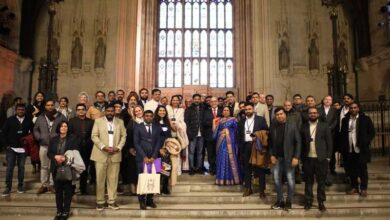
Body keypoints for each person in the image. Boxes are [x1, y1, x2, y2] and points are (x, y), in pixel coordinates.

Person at [91, 104, 127, 210]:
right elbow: (94, 135)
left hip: (115, 154)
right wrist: (103, 147)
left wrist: (119, 147)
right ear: (105, 111)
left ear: (114, 111)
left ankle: (112, 201)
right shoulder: (98, 121)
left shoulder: (120, 122)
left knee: (113, 179)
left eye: (112, 111)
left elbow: (124, 136)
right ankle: (100, 201)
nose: (110, 112)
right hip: (101, 154)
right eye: (108, 111)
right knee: (100, 179)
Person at [301, 107, 333, 212]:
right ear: (308, 115)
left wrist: (328, 157)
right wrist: (302, 158)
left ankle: (321, 202)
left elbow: (329, 142)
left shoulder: (324, 126)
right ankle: (308, 201)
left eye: (315, 113)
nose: (313, 114)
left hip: (321, 159)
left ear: (318, 114)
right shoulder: (304, 126)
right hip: (308, 159)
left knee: (321, 182)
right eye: (311, 113)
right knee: (308, 182)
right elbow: (301, 144)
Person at [269, 107, 301, 210]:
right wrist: (272, 155)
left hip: (289, 158)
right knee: (276, 180)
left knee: (290, 180)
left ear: (285, 114)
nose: (279, 116)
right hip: (277, 158)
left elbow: (298, 142)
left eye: (281, 114)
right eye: (277, 114)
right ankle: (280, 200)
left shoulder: (292, 125)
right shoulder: (273, 126)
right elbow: (270, 143)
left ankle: (289, 201)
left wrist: (296, 157)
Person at [340, 102, 375, 197]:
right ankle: (354, 187)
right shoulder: (345, 120)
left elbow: (372, 132)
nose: (353, 109)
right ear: (349, 109)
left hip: (361, 149)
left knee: (363, 169)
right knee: (352, 170)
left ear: (358, 109)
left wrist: (365, 142)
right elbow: (342, 134)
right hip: (350, 149)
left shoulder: (365, 119)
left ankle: (363, 189)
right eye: (351, 108)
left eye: (355, 108)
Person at [33, 99, 67, 194]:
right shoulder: (41, 117)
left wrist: (61, 138)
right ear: (45, 106)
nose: (50, 107)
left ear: (54, 106)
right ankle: (44, 185)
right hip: (43, 145)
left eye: (52, 105)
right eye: (48, 105)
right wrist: (39, 137)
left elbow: (66, 127)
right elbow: (35, 129)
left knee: (53, 166)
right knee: (44, 166)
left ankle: (52, 185)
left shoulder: (60, 116)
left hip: (56, 145)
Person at [47, 121, 79, 220]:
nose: (63, 128)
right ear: (59, 128)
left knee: (68, 191)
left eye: (65, 126)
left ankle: (66, 211)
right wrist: (55, 156)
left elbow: (76, 151)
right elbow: (49, 153)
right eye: (62, 126)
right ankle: (59, 211)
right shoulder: (53, 139)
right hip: (56, 168)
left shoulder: (73, 139)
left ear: (68, 128)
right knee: (58, 191)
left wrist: (65, 158)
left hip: (68, 168)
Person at [2, 103, 34, 196]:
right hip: (11, 148)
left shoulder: (29, 121)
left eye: (22, 109)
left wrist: (28, 142)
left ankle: (20, 186)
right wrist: (6, 146)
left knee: (21, 168)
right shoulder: (9, 120)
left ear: (25, 110)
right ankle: (8, 187)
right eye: (19, 109)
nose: (20, 111)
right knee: (9, 168)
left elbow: (33, 133)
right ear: (16, 110)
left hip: (23, 149)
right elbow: (3, 133)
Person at [133, 110, 162, 210]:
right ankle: (142, 201)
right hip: (142, 158)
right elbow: (136, 143)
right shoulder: (137, 127)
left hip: (155, 158)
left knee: (153, 179)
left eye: (150, 116)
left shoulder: (157, 127)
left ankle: (150, 200)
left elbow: (158, 142)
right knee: (142, 179)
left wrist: (154, 156)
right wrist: (144, 157)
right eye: (147, 116)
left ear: (153, 117)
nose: (148, 117)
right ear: (144, 117)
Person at [238, 102, 268, 197]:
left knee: (260, 168)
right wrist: (240, 147)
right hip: (245, 146)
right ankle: (248, 188)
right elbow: (239, 135)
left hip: (256, 146)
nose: (247, 111)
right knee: (247, 168)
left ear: (253, 109)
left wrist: (258, 136)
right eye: (246, 109)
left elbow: (266, 132)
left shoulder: (261, 119)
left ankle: (262, 190)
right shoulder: (241, 121)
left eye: (249, 109)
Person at [68, 103, 94, 195]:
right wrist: (77, 142)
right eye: (79, 109)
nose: (81, 111)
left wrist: (87, 142)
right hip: (76, 148)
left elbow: (93, 135)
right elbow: (70, 134)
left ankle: (83, 188)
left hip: (87, 148)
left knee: (85, 169)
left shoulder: (91, 122)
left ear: (85, 110)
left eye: (82, 109)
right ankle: (72, 188)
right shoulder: (72, 121)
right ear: (76, 111)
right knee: (74, 169)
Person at [213, 106, 241, 185]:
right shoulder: (220, 121)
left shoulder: (234, 120)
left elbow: (237, 132)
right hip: (221, 143)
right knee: (221, 159)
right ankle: (221, 179)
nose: (225, 111)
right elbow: (215, 133)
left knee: (230, 159)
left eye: (227, 110)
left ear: (230, 111)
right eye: (224, 110)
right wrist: (221, 133)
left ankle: (231, 180)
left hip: (231, 144)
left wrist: (228, 132)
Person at [184, 94, 205, 175]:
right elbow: (186, 122)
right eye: (195, 99)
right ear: (193, 100)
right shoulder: (189, 109)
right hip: (193, 134)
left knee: (200, 152)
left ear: (200, 100)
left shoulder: (203, 109)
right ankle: (191, 168)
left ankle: (199, 168)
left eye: (198, 99)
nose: (197, 100)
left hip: (202, 134)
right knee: (191, 152)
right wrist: (189, 134)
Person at [318, 95, 338, 177]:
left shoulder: (334, 110)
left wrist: (329, 128)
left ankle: (332, 169)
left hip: (331, 133)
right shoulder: (318, 110)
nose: (327, 101)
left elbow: (336, 121)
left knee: (331, 151)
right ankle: (321, 169)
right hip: (321, 134)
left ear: (331, 101)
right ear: (323, 101)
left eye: (329, 99)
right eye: (326, 99)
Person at [154, 105, 172, 194]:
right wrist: (159, 149)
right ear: (157, 112)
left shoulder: (167, 122)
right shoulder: (154, 122)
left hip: (166, 149)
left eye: (163, 110)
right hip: (157, 150)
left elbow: (169, 136)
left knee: (166, 168)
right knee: (157, 170)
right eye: (160, 110)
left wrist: (168, 147)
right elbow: (154, 137)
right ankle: (156, 188)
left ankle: (165, 187)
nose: (162, 112)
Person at [203, 97, 222, 175]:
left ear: (217, 102)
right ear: (210, 103)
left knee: (219, 152)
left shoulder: (222, 110)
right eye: (212, 101)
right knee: (210, 153)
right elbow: (204, 122)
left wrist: (217, 123)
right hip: (209, 135)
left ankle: (219, 168)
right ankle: (212, 168)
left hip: (220, 135)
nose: (214, 103)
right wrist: (214, 122)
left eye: (215, 101)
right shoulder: (206, 112)